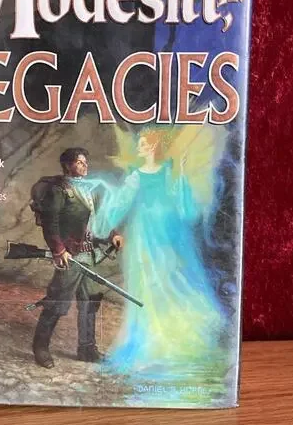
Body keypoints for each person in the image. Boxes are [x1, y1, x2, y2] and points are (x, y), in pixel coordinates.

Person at [92, 127, 226, 380]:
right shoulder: (136, 176)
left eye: (143, 144)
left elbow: (183, 205)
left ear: (153, 146)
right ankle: (150, 347)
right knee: (147, 285)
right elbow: (121, 203)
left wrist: (181, 174)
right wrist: (102, 224)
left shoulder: (168, 172)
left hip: (169, 236)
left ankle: (176, 343)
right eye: (139, 144)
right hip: (143, 236)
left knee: (171, 281)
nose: (139, 148)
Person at [32, 147, 123, 369]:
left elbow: (100, 218)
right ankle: (40, 348)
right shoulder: (59, 191)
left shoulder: (89, 189)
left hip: (90, 255)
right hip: (70, 256)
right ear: (67, 165)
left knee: (90, 302)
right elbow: (50, 223)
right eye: (80, 162)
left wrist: (113, 234)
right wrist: (58, 251)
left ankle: (87, 349)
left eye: (85, 162)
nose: (85, 166)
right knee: (56, 302)